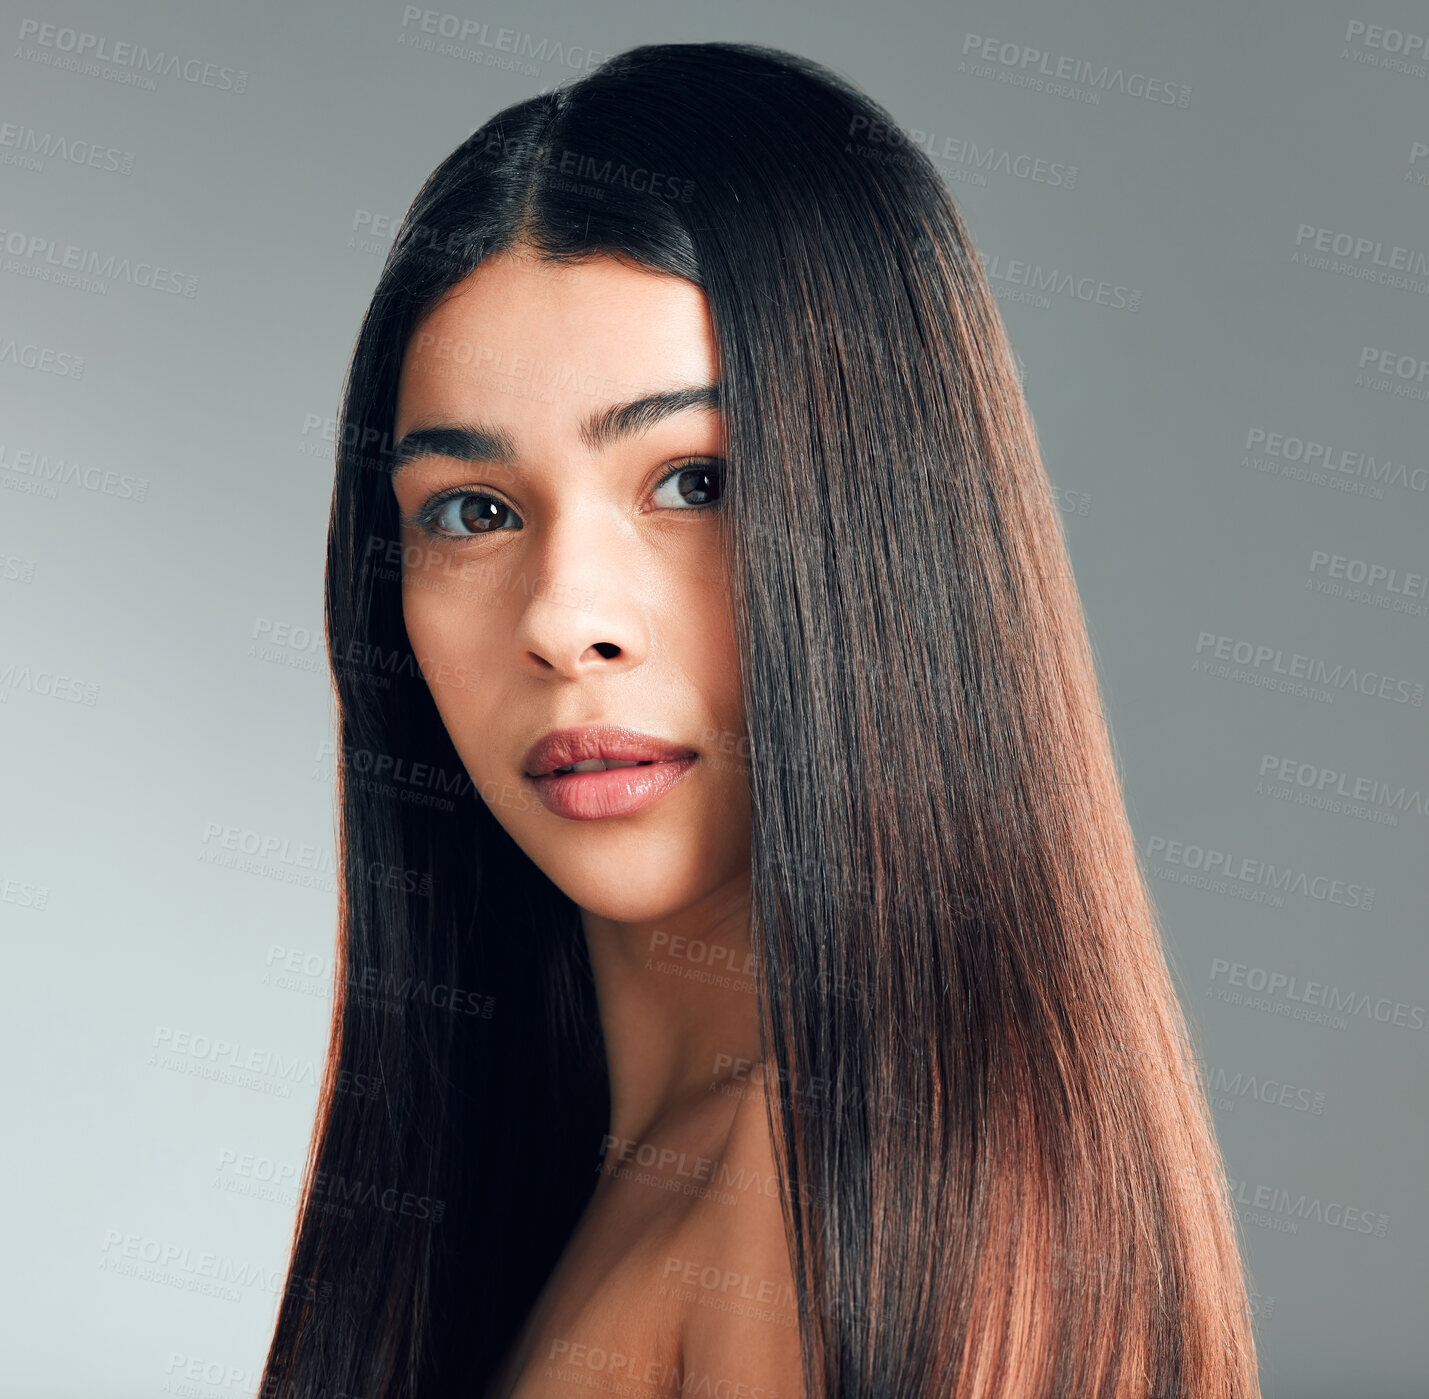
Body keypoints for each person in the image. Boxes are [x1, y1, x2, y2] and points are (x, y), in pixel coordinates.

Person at [262, 41, 1261, 1399]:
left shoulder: (831, 1196)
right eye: (473, 512)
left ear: (891, 529)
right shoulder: (567, 1182)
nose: (565, 620)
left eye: (692, 481)